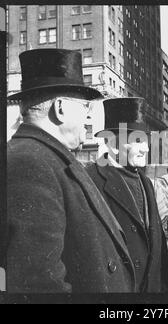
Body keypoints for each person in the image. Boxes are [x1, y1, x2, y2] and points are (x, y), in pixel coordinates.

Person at [6, 49, 136, 293]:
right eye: (85, 105)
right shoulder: (29, 163)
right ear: (61, 108)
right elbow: (39, 283)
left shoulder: (46, 157)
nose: (89, 114)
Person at [86, 97, 168, 292]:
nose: (146, 148)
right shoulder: (90, 180)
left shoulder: (146, 182)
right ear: (113, 144)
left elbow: (158, 240)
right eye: (137, 141)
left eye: (146, 141)